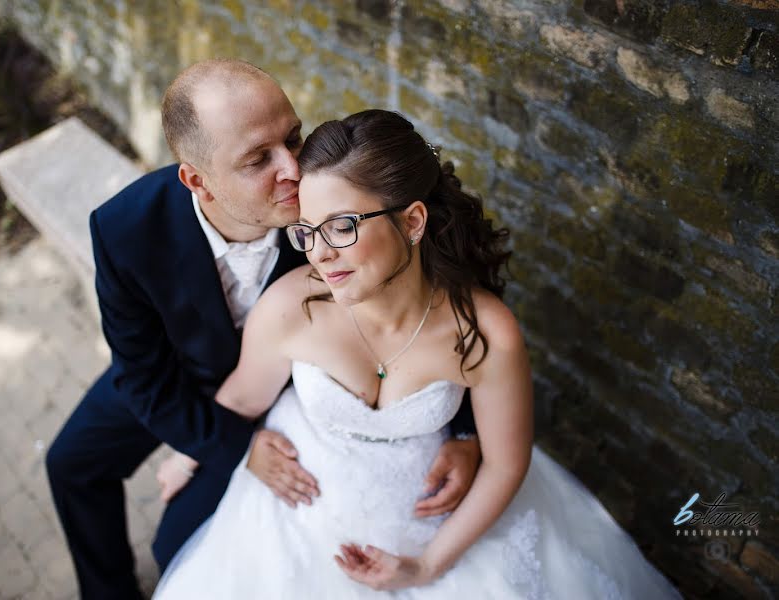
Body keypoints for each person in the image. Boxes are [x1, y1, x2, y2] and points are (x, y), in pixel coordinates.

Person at [153, 109, 682, 598]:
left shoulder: (485, 333)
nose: (320, 251)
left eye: (341, 226)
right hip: (296, 511)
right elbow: (245, 396)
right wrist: (188, 454)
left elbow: (505, 464)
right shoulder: (293, 305)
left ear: (412, 221)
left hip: (433, 524)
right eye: (308, 229)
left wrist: (426, 565)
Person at [45, 61, 481, 600]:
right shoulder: (124, 229)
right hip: (179, 379)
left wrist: (464, 429)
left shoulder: (330, 192)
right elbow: (142, 379)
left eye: (293, 138)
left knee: (179, 544)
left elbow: (437, 284)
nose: (295, 170)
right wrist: (238, 446)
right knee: (70, 464)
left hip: (306, 381)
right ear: (196, 180)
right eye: (258, 159)